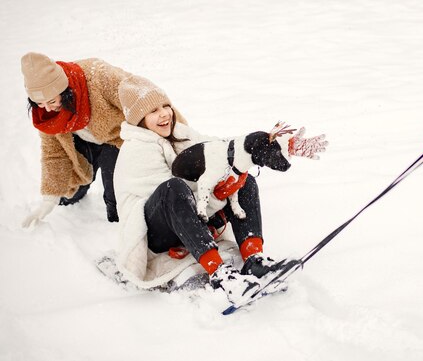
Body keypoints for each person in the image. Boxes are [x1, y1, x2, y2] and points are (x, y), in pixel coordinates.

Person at [113, 75, 327, 299]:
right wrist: (216, 195)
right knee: (173, 188)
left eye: (166, 105)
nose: (165, 113)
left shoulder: (181, 134)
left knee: (243, 180)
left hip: (189, 217)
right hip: (156, 234)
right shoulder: (137, 150)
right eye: (154, 110)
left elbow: (225, 151)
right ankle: (220, 273)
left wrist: (281, 146)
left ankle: (254, 259)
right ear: (139, 119)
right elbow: (174, 204)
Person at [21, 52, 135, 227]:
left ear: (63, 90)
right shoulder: (45, 114)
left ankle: (117, 229)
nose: (48, 109)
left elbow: (146, 102)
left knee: (116, 200)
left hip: (116, 138)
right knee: (68, 196)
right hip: (83, 142)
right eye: (40, 104)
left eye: (51, 101)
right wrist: (49, 199)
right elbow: (54, 153)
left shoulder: (98, 75)